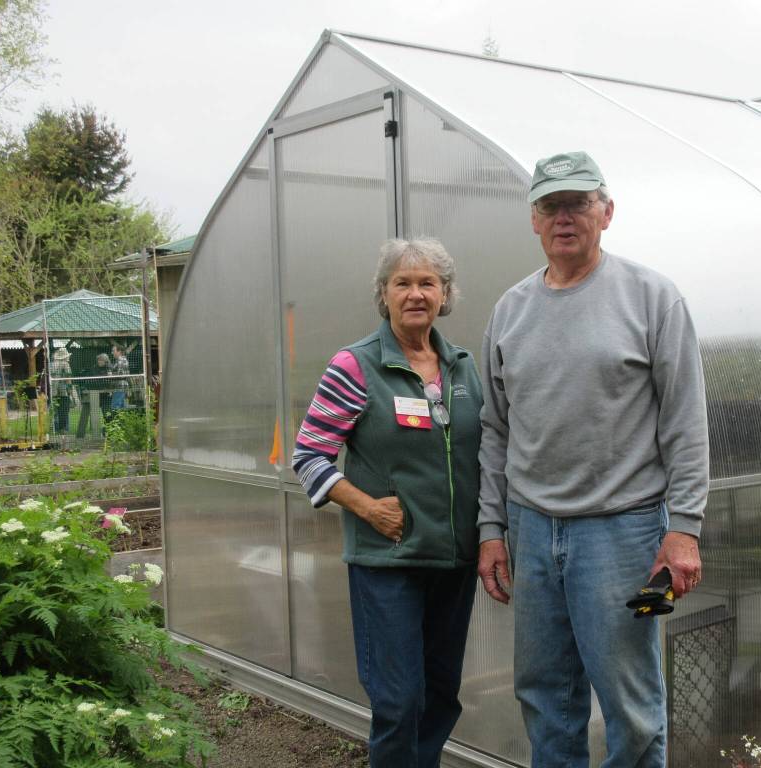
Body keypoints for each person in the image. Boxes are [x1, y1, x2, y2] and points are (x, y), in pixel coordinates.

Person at [476, 151, 710, 767]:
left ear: (607, 212)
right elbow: (495, 431)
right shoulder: (509, 311)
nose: (564, 217)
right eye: (551, 205)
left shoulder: (653, 299)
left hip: (625, 533)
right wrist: (492, 530)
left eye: (578, 203)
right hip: (530, 531)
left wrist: (683, 531)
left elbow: (686, 424)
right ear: (533, 220)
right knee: (545, 696)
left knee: (633, 707)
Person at [293, 238, 483, 768]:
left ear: (446, 294)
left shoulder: (463, 369)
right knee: (399, 701)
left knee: (442, 695)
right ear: (384, 294)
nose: (416, 294)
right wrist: (369, 507)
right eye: (403, 283)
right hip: (389, 561)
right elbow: (308, 455)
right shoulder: (356, 365)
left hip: (455, 562)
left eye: (428, 283)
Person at [50, 347, 73, 433]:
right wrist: (70, 390)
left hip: (54, 391)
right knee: (64, 410)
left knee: (55, 411)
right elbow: (68, 378)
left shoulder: (52, 364)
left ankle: (54, 428)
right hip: (64, 391)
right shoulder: (65, 364)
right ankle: (64, 429)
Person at [109, 343, 130, 411]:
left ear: (119, 352)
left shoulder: (121, 360)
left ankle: (117, 421)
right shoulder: (119, 360)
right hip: (119, 386)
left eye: (113, 351)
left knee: (115, 406)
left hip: (120, 386)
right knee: (121, 407)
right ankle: (121, 421)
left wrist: (110, 375)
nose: (112, 353)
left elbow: (120, 374)